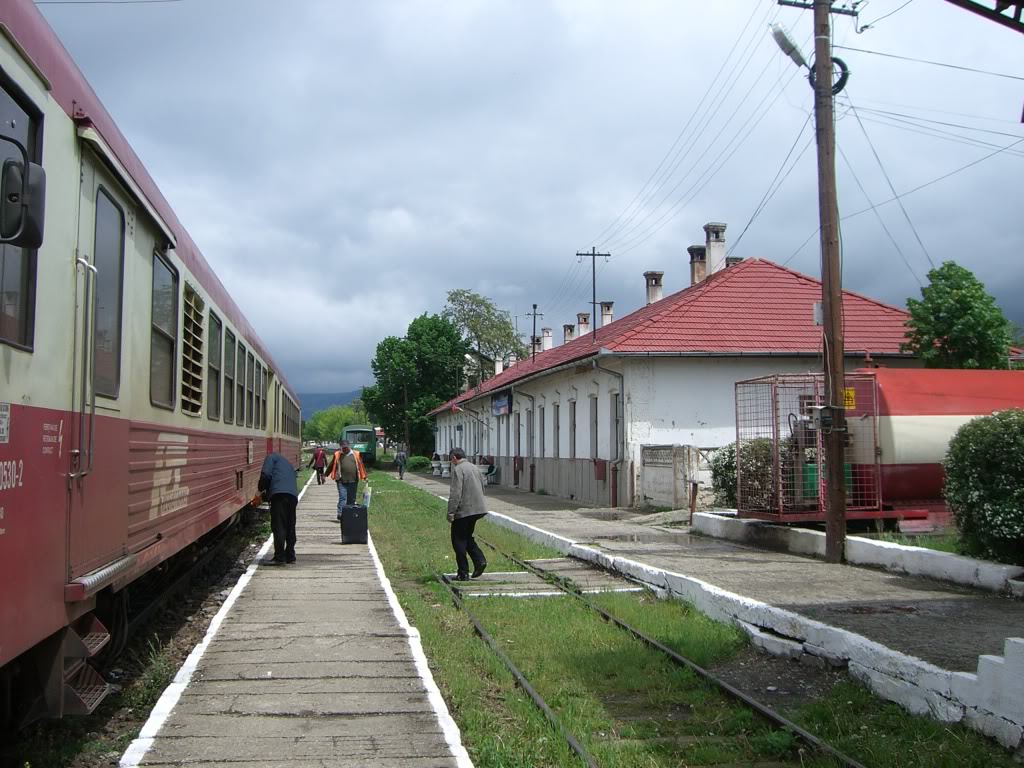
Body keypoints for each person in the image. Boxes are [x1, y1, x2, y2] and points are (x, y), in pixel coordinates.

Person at [447, 447, 487, 581]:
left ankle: (463, 573)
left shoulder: (458, 469)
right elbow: (482, 486)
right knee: (467, 537)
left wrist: (451, 512)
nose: (451, 462)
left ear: (454, 457)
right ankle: (479, 560)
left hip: (464, 510)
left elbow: (456, 493)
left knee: (458, 540)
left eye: (450, 459)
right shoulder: (474, 467)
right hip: (478, 508)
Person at [259, 452, 299, 565]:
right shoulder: (286, 463)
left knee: (279, 526)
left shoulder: (270, 458)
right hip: (292, 495)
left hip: (279, 496)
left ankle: (279, 557)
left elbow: (266, 475)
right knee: (290, 525)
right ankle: (290, 556)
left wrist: (260, 489)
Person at [324, 439, 367, 517]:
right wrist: (325, 475)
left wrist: (364, 476)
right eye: (343, 447)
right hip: (341, 480)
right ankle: (341, 514)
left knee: (352, 499)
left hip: (353, 480)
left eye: (346, 447)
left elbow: (361, 466)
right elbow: (331, 465)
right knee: (343, 498)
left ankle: (350, 514)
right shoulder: (337, 454)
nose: (344, 449)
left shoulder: (356, 454)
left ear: (349, 446)